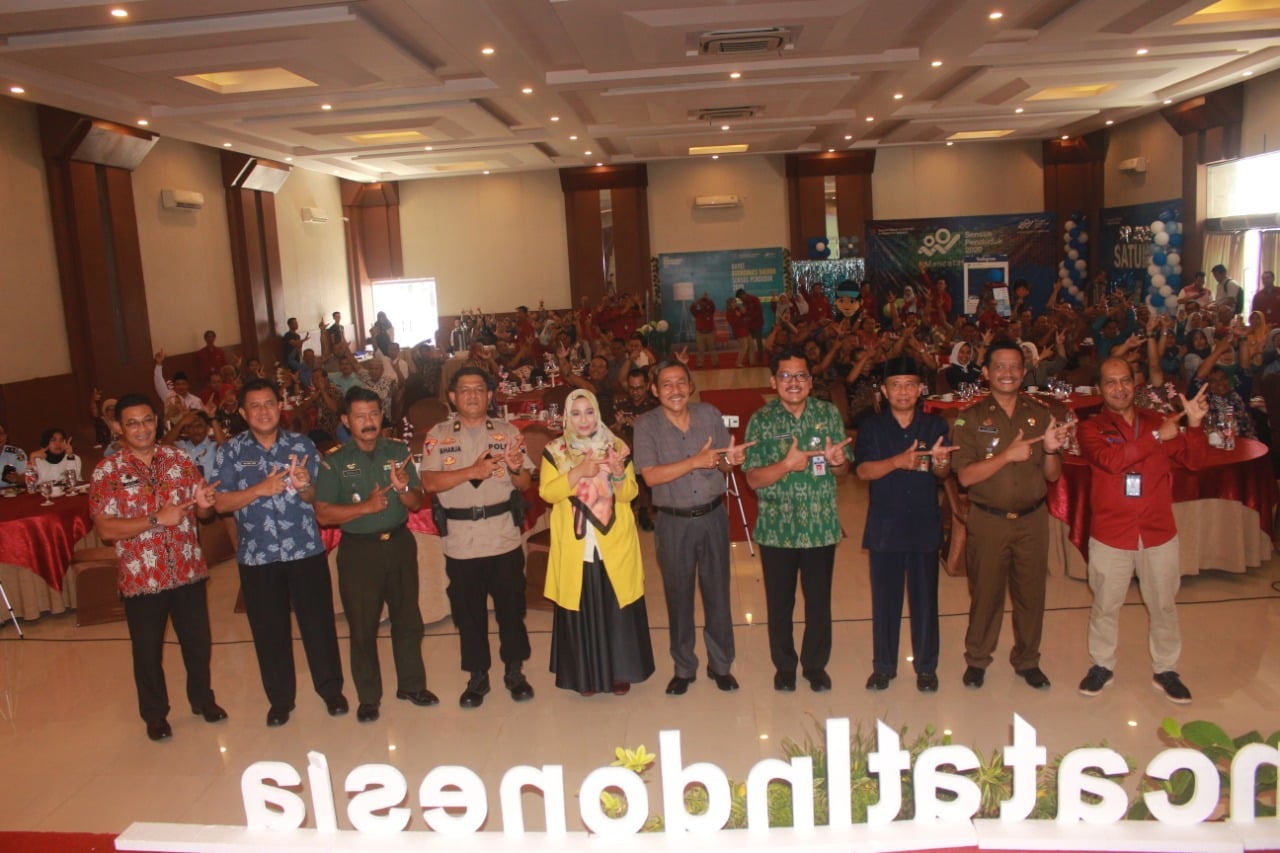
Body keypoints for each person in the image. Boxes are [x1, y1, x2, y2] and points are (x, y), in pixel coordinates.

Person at [88, 392, 226, 741]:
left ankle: (202, 699)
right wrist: (155, 519)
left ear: (157, 421)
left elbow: (203, 514)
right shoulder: (108, 471)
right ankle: (154, 714)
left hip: (187, 569)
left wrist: (206, 504)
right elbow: (105, 529)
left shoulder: (178, 459)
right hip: (142, 578)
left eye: (148, 420)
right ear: (119, 427)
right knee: (147, 651)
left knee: (198, 642)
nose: (142, 429)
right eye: (132, 423)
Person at [213, 378, 347, 727]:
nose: (263, 411)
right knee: (269, 631)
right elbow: (220, 503)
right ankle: (280, 700)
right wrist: (260, 489)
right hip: (258, 557)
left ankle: (331, 691)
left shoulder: (302, 444)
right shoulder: (230, 451)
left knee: (318, 624)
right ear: (243, 412)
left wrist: (305, 486)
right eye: (254, 406)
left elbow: (317, 497)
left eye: (269, 403)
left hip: (304, 550)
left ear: (279, 406)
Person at [1076, 358, 1209, 704]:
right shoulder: (1091, 428)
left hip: (1158, 531)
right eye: (1111, 382)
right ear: (1099, 389)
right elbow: (1113, 461)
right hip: (1110, 533)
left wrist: (1194, 425)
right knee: (1105, 605)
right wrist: (1155, 438)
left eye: (1125, 381)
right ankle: (1101, 665)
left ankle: (1167, 669)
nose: (1119, 388)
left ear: (1135, 385)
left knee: (1164, 606)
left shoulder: (1158, 421)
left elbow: (1194, 462)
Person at [314, 387, 438, 723]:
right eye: (359, 416)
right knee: (362, 627)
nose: (368, 422)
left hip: (399, 544)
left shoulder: (398, 451)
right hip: (359, 553)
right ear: (345, 420)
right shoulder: (334, 461)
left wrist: (402, 489)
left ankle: (412, 685)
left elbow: (415, 503)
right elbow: (323, 514)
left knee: (408, 620)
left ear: (381, 416)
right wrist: (364, 507)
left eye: (373, 414)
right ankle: (369, 697)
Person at [951, 340, 1067, 690]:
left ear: (1025, 371)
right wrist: (1006, 456)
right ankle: (977, 659)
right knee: (986, 594)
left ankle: (1028, 659)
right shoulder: (969, 418)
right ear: (985, 372)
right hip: (988, 519)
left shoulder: (1041, 413)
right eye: (999, 366)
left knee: (1031, 595)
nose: (1008, 373)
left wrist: (1049, 451)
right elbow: (965, 477)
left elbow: (1052, 475)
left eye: (1015, 366)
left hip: (1032, 519)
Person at [634, 360, 752, 696]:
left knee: (718, 594)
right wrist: (695, 462)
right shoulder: (646, 425)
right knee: (679, 597)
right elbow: (650, 476)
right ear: (655, 390)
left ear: (690, 385)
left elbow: (724, 465)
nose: (676, 390)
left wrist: (732, 461)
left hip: (713, 517)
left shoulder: (709, 414)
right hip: (673, 522)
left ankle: (721, 665)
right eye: (667, 384)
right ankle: (684, 667)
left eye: (681, 383)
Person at [420, 367, 536, 709]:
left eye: (480, 389)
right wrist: (472, 471)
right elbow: (429, 484)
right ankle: (478, 676)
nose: (472, 395)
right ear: (453, 397)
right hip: (461, 539)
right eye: (464, 390)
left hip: (502, 535)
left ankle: (515, 672)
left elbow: (525, 484)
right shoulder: (438, 435)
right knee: (468, 614)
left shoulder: (507, 430)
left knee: (511, 610)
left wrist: (516, 468)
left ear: (489, 396)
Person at [743, 346, 853, 692]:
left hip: (820, 526)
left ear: (810, 379)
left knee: (819, 601)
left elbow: (844, 473)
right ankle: (785, 666)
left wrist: (837, 462)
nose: (794, 382)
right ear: (774, 380)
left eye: (802, 375)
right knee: (780, 603)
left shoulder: (828, 414)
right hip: (777, 528)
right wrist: (786, 466)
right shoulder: (761, 420)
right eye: (786, 376)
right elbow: (753, 478)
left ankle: (815, 666)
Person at [540, 388, 654, 696]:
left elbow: (630, 494)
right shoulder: (556, 450)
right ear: (567, 417)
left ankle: (621, 671)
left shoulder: (617, 446)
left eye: (588, 412)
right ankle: (584, 675)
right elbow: (547, 494)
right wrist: (577, 473)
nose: (583, 419)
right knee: (582, 605)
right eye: (575, 413)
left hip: (613, 541)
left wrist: (618, 476)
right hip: (576, 544)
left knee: (616, 605)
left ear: (597, 413)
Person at [854, 357, 954, 693]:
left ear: (921, 389)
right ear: (883, 390)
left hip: (924, 524)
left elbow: (942, 473)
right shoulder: (871, 427)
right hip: (885, 526)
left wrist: (941, 463)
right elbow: (863, 471)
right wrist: (899, 461)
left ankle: (926, 668)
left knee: (925, 601)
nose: (903, 391)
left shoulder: (935, 426)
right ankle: (883, 667)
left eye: (910, 384)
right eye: (895, 385)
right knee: (885, 601)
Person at [690, 292, 716, 369]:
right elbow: (691, 309)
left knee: (712, 349)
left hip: (710, 332)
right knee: (700, 350)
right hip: (700, 333)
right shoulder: (697, 313)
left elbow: (713, 307)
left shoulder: (710, 312)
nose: (703, 305)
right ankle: (700, 363)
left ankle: (715, 363)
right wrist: (697, 301)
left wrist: (708, 299)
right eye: (702, 304)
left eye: (705, 304)